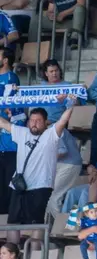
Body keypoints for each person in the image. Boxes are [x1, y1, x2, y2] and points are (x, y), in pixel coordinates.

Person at [0, 102, 74, 243]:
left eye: (38, 121)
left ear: (45, 122)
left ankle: (33, 257)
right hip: (19, 185)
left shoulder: (50, 135)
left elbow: (63, 121)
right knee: (12, 223)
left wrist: (70, 105)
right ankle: (13, 255)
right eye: (32, 120)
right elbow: (3, 123)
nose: (34, 123)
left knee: (36, 224)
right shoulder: (22, 132)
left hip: (41, 186)